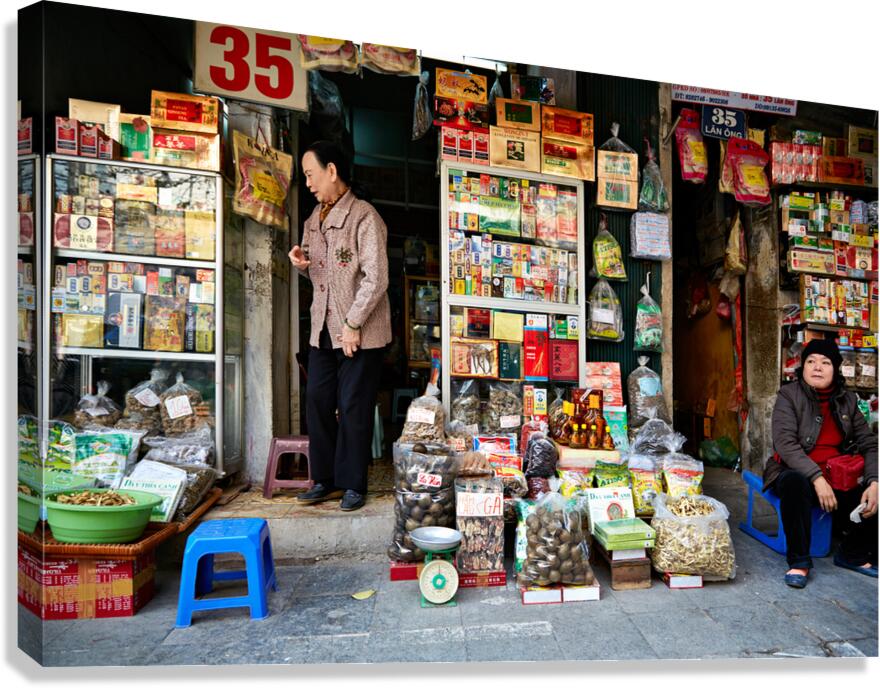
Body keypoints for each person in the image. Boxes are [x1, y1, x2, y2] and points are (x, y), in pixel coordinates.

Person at [288, 140, 391, 512]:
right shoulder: (312, 221)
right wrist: (303, 266)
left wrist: (353, 323)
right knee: (317, 399)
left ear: (332, 171)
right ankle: (326, 478)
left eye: (311, 175)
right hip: (323, 329)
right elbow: (323, 278)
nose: (309, 183)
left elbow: (376, 278)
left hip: (361, 332)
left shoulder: (365, 217)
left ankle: (353, 483)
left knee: (352, 405)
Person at [764, 338, 878, 588]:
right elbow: (785, 444)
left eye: (825, 362)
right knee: (795, 483)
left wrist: (874, 481)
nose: (817, 367)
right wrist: (816, 478)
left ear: (835, 369)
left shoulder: (847, 400)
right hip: (793, 472)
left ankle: (852, 554)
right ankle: (799, 562)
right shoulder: (788, 395)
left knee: (875, 491)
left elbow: (869, 444)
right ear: (802, 368)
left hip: (836, 475)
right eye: (811, 361)